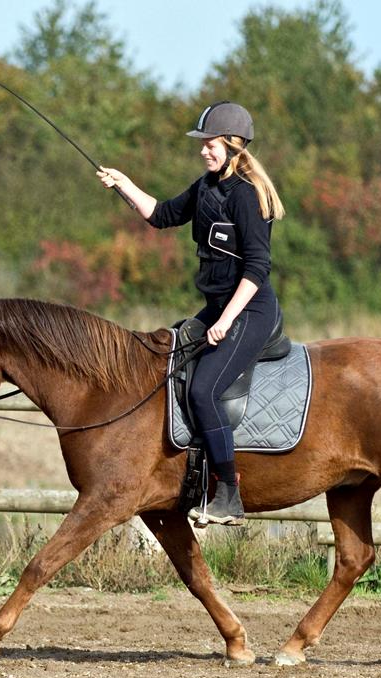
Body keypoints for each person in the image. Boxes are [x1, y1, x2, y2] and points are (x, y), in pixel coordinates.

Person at [97, 101, 285, 526]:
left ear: (234, 146)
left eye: (210, 144)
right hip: (217, 308)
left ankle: (229, 496)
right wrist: (124, 184)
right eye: (202, 144)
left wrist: (224, 321)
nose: (203, 150)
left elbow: (257, 269)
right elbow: (161, 215)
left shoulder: (246, 196)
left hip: (250, 311)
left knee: (203, 390)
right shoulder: (206, 187)